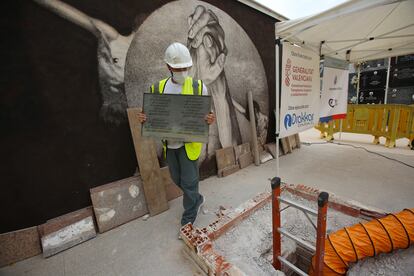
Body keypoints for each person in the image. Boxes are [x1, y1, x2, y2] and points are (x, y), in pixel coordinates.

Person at [137, 42, 215, 236]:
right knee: (176, 178)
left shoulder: (199, 88)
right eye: (178, 68)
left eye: (185, 67)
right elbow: (151, 116)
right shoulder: (159, 88)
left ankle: (187, 220)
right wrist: (144, 118)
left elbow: (206, 115)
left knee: (189, 182)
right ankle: (196, 198)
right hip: (169, 144)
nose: (182, 71)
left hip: (189, 145)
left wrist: (209, 118)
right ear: (168, 67)